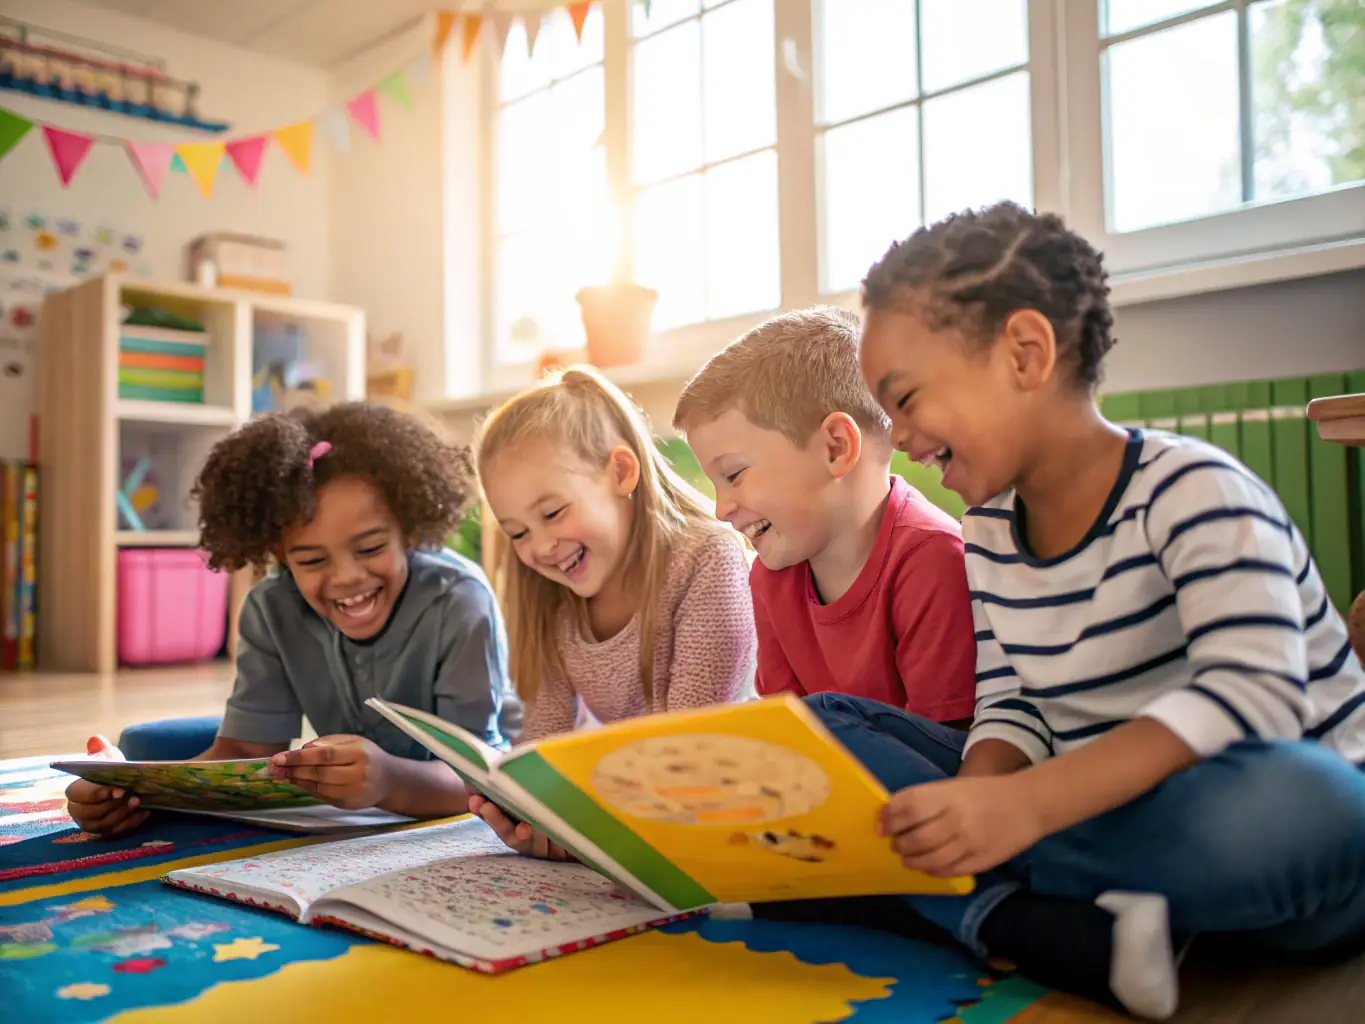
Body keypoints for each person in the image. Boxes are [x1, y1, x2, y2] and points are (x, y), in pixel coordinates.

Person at [805, 201, 1365, 1020]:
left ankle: (950, 897)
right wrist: (975, 797)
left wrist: (1019, 812)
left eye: (908, 398)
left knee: (1312, 799)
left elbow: (1255, 696)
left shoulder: (1192, 488)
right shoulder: (990, 532)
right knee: (824, 729)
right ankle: (1054, 920)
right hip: (1097, 815)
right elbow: (1014, 699)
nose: (902, 435)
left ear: (1025, 353)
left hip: (1267, 832)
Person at [65, 402, 517, 838]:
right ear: (281, 556)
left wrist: (390, 782)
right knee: (143, 750)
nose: (346, 577)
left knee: (159, 748)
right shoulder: (271, 610)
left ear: (409, 530)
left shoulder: (459, 601)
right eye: (312, 560)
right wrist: (126, 796)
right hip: (356, 770)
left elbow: (482, 776)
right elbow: (247, 752)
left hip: (469, 770)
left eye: (371, 548)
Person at [470, 366, 755, 858]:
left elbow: (685, 746)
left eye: (553, 513)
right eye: (517, 532)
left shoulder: (709, 558)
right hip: (643, 812)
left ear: (621, 473)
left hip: (735, 808)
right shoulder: (554, 601)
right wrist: (520, 807)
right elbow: (542, 742)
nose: (540, 547)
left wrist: (583, 823)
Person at [674, 306, 975, 724]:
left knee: (824, 719)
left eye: (733, 474)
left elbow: (948, 760)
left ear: (835, 447)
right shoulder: (770, 579)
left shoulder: (934, 560)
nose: (722, 508)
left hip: (934, 781)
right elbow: (789, 742)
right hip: (829, 780)